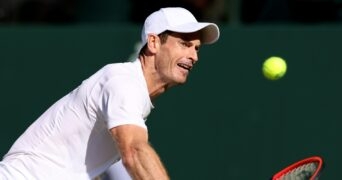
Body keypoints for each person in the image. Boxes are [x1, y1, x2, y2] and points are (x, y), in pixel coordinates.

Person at [0, 7, 220, 179]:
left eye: (196, 48)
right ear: (153, 42)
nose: (194, 56)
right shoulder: (122, 81)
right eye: (184, 44)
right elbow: (134, 152)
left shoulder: (132, 97)